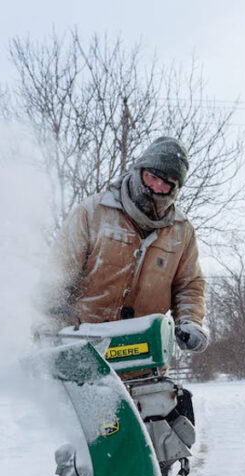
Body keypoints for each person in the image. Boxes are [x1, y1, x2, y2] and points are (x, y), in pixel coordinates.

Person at [42, 136, 209, 353]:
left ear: (175, 189)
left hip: (145, 350)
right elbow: (58, 275)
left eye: (166, 184)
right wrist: (50, 322)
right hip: (85, 346)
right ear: (139, 171)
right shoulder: (93, 213)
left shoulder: (181, 231)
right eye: (152, 177)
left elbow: (189, 285)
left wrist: (189, 321)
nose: (156, 187)